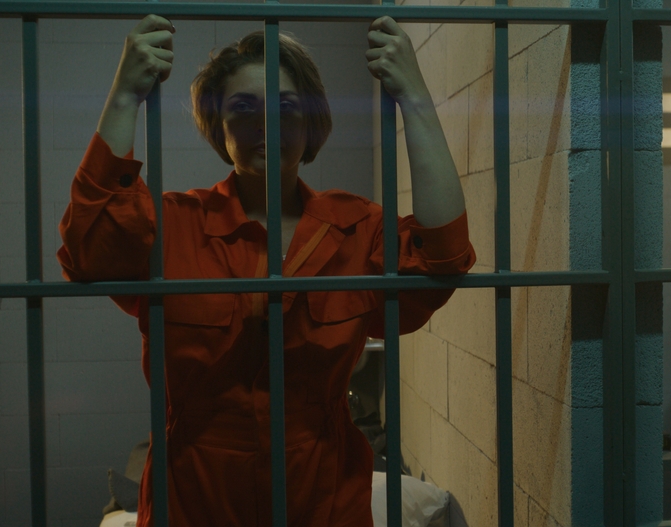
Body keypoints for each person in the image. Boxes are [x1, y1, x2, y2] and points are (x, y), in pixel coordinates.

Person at [57, 15, 475, 527]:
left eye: (285, 107)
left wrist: (413, 95)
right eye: (242, 108)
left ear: (311, 121)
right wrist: (124, 95)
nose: (266, 124)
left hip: (322, 495)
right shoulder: (173, 226)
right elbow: (89, 251)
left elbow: (443, 257)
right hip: (196, 496)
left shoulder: (356, 229)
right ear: (219, 126)